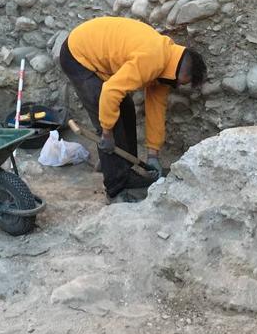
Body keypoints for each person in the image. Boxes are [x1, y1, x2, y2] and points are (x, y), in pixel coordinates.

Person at [59, 17, 206, 203]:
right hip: (78, 55)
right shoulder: (152, 59)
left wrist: (153, 154)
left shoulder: (166, 66)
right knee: (110, 122)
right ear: (180, 71)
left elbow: (156, 111)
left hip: (94, 52)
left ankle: (125, 168)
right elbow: (110, 91)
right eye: (181, 81)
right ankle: (116, 188)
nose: (178, 85)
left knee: (126, 108)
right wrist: (106, 132)